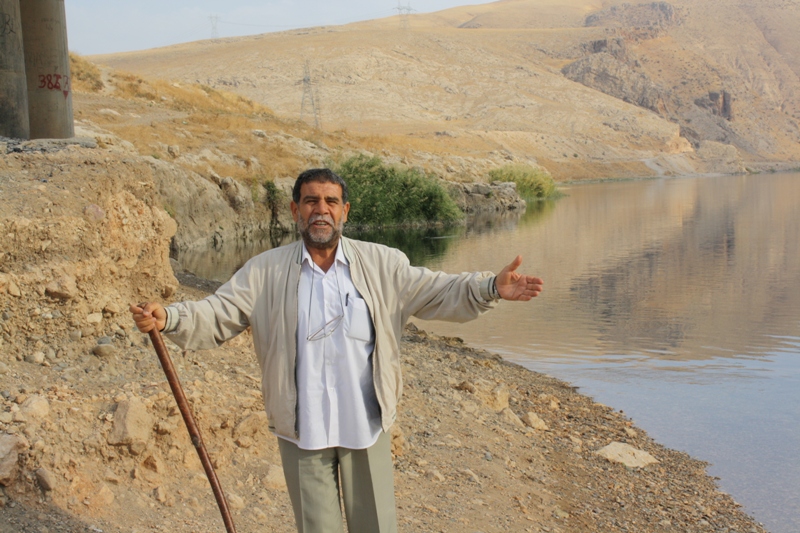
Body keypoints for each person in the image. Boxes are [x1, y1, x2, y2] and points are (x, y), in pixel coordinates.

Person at [130, 168, 544, 533]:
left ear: (345, 211)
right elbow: (218, 312)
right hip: (302, 430)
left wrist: (491, 287)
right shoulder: (265, 271)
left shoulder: (383, 264)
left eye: (331, 201)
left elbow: (438, 289)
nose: (321, 210)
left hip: (366, 426)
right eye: (311, 201)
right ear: (295, 211)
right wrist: (171, 318)